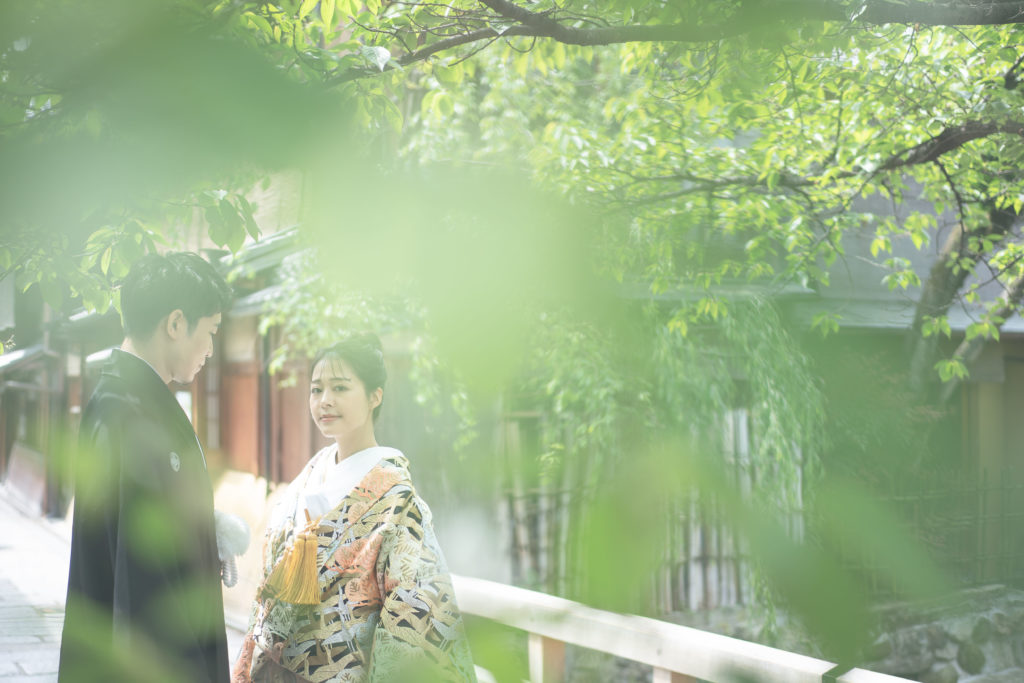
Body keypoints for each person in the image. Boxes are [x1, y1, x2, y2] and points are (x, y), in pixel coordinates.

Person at [233, 334, 477, 683]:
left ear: (375, 396)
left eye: (340, 388)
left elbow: (413, 612)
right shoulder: (307, 478)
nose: (325, 400)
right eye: (316, 390)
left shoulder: (396, 500)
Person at [59, 251, 234, 683]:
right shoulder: (128, 412)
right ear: (175, 324)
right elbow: (141, 582)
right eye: (211, 331)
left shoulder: (130, 400)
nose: (211, 349)